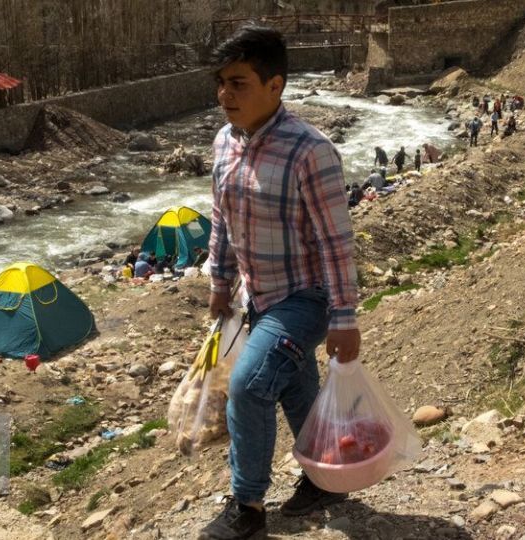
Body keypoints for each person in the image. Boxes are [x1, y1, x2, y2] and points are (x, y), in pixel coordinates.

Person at [202, 26, 360, 540]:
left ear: (276, 86)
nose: (226, 94)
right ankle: (326, 478)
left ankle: (247, 507)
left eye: (239, 83)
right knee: (293, 386)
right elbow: (222, 219)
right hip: (258, 297)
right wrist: (220, 283)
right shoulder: (225, 141)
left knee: (248, 389)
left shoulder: (310, 151)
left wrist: (344, 319)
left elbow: (336, 242)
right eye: (221, 82)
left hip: (306, 297)